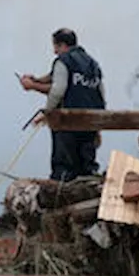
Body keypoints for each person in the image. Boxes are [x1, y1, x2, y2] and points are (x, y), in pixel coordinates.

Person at [20, 28, 106, 181]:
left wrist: (46, 110)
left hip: (67, 123)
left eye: (56, 47)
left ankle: (61, 195)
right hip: (90, 123)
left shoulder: (63, 60)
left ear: (62, 45)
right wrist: (37, 80)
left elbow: (58, 89)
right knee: (86, 169)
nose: (54, 52)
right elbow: (99, 92)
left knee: (65, 170)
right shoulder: (92, 64)